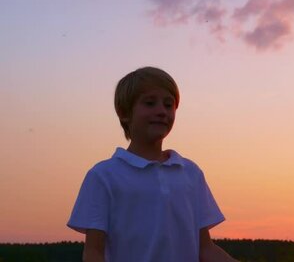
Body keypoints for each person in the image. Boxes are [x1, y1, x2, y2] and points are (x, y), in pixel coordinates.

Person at [68, 67, 237, 262]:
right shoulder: (104, 175)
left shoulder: (190, 173)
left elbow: (205, 248)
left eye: (168, 105)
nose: (161, 112)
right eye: (150, 103)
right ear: (124, 113)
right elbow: (94, 252)